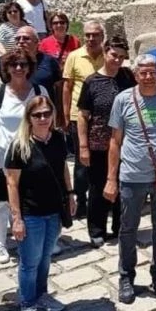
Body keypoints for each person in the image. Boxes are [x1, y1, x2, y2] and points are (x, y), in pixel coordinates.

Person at [106, 54, 156, 305]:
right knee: (128, 229)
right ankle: (126, 276)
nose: (149, 76)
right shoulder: (123, 100)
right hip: (132, 175)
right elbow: (115, 141)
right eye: (144, 73)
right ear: (136, 74)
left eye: (153, 72)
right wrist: (111, 178)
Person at [5, 96, 74, 311]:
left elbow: (63, 166)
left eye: (47, 113)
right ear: (29, 118)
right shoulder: (20, 146)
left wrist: (71, 194)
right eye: (38, 115)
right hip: (31, 214)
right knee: (29, 263)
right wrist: (16, 219)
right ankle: (27, 305)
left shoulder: (58, 139)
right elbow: (12, 184)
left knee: (45, 259)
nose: (43, 118)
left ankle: (41, 294)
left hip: (53, 211)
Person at [0, 50, 47, 263]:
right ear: (7, 68)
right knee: (2, 203)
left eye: (23, 64)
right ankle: (1, 243)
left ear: (30, 67)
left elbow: (48, 121)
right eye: (14, 65)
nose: (19, 68)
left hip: (32, 155)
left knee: (30, 199)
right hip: (3, 155)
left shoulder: (39, 91)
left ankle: (29, 239)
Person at [76, 35, 135, 247]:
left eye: (122, 57)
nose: (117, 60)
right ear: (105, 52)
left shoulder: (128, 77)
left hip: (126, 143)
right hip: (99, 143)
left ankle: (119, 228)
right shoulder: (92, 82)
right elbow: (83, 116)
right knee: (98, 187)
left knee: (123, 188)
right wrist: (83, 146)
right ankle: (97, 229)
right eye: (114, 55)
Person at [63, 21, 106, 217]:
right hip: (78, 116)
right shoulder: (74, 56)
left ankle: (102, 198)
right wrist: (65, 115)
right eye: (88, 34)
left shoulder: (109, 56)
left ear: (102, 36)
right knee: (82, 161)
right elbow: (67, 87)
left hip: (103, 118)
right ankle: (81, 199)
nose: (91, 38)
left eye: (95, 34)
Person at [0, 27, 62, 107]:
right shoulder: (8, 59)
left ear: (36, 42)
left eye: (26, 38)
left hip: (42, 112)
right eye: (18, 39)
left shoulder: (50, 61)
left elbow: (59, 89)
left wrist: (60, 113)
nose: (21, 41)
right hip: (13, 110)